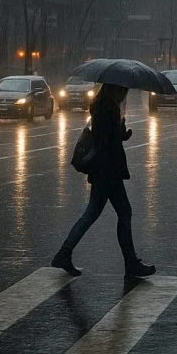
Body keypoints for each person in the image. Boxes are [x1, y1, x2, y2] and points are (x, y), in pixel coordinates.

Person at [52, 83, 155, 279]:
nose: (125, 94)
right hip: (108, 170)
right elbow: (108, 141)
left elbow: (104, 137)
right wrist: (120, 133)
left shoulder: (101, 105)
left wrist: (121, 133)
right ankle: (130, 263)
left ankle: (64, 253)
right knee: (122, 212)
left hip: (103, 169)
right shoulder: (108, 108)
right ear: (115, 89)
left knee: (94, 213)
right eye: (123, 91)